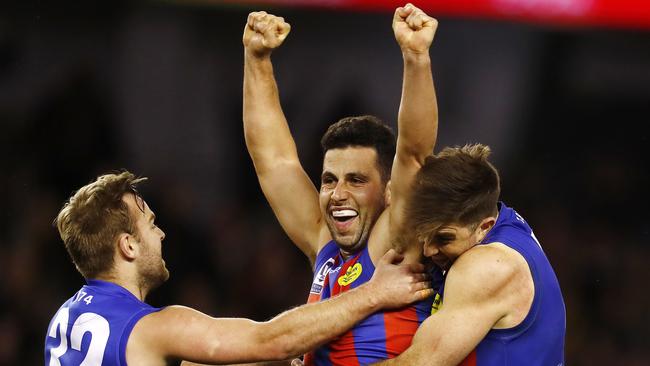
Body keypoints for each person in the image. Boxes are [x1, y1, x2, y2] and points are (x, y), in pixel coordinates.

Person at [44, 171, 433, 365]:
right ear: (127, 245)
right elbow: (269, 338)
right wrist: (375, 292)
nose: (161, 235)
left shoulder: (65, 319)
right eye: (150, 224)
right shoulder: (154, 327)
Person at [242, 3, 439, 364]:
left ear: (390, 192)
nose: (338, 195)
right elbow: (273, 161)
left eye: (357, 180)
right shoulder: (325, 245)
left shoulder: (395, 242)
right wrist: (257, 59)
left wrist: (416, 57)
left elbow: (413, 153)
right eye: (329, 180)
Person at [369, 144, 567, 365]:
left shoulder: (487, 267)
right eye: (423, 234)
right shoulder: (500, 218)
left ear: (484, 226)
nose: (428, 250)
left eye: (444, 238)